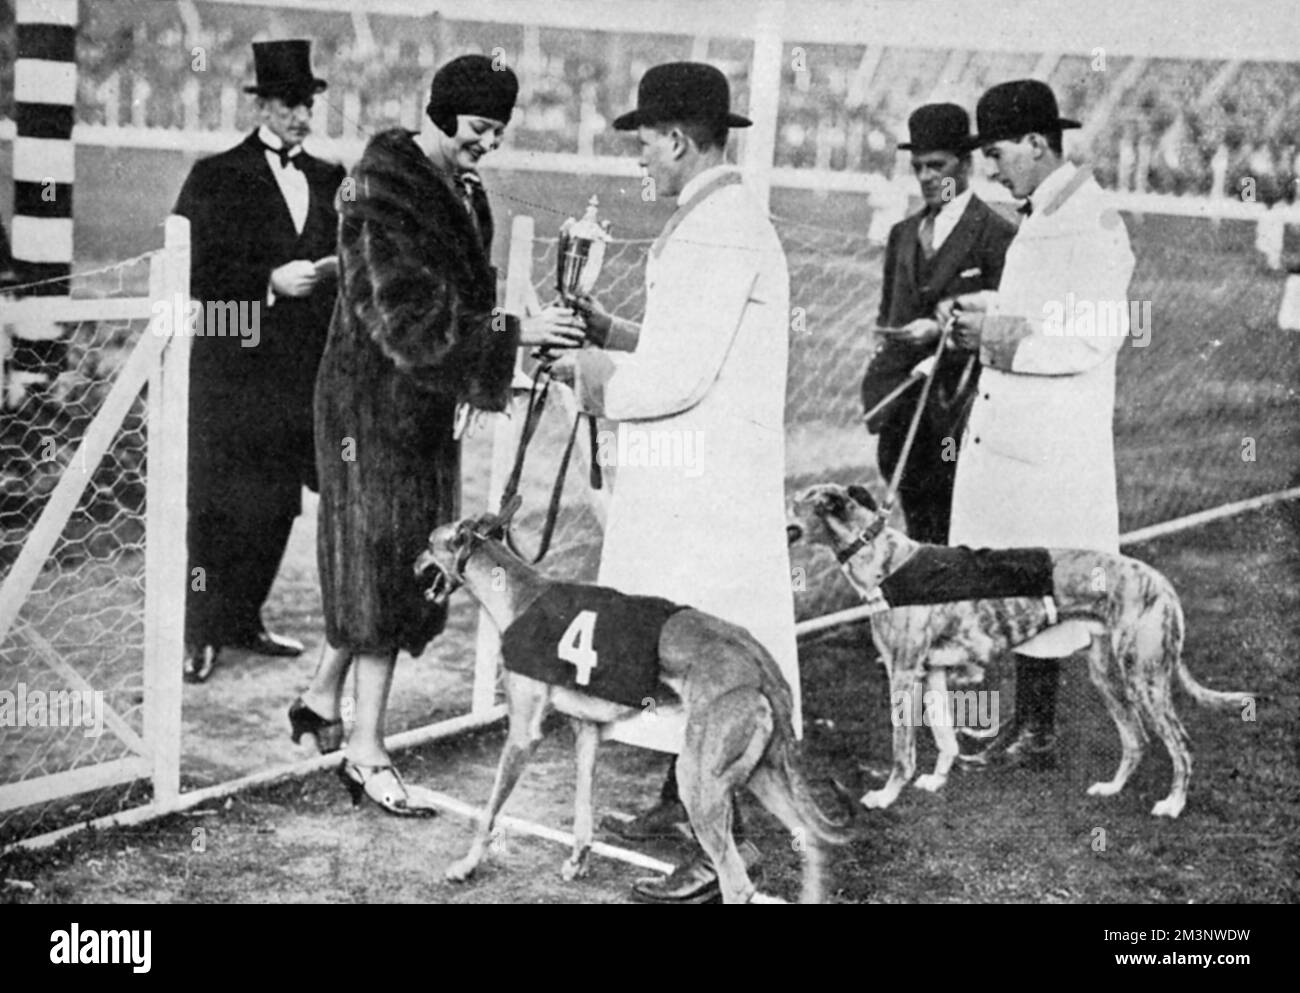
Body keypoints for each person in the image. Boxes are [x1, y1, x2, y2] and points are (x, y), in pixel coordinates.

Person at [292, 55, 585, 815]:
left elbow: (458, 305)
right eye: (480, 129)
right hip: (370, 410)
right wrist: (514, 336)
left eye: (497, 132)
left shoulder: (461, 188)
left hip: (418, 405)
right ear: (442, 112)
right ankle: (365, 750)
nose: (488, 144)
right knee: (387, 567)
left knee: (390, 558)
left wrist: (494, 355)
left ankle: (323, 699)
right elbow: (407, 318)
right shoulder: (380, 188)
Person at [549, 62, 798, 903]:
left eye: (646, 142)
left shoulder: (720, 226)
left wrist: (586, 372)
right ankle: (676, 801)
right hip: (696, 472)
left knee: (715, 663)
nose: (640, 160)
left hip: (709, 484)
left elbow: (682, 375)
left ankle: (724, 848)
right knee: (674, 647)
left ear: (681, 140)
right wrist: (613, 332)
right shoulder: (713, 217)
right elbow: (688, 344)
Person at [943, 80, 1136, 769]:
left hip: (1053, 440)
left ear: (1036, 143)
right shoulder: (1046, 214)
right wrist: (985, 308)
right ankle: (1023, 726)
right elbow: (1041, 304)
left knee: (1044, 581)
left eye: (997, 153)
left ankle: (1039, 731)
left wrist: (995, 335)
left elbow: (1090, 334)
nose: (991, 169)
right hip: (1018, 429)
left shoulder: (1092, 223)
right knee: (1013, 575)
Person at [173, 40, 346, 683]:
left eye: (308, 104)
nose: (301, 115)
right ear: (263, 105)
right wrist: (268, 282)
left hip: (299, 375)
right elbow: (191, 271)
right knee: (216, 502)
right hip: (231, 371)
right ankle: (200, 629)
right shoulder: (215, 175)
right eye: (289, 104)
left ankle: (244, 616)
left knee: (276, 503)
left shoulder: (332, 180)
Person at [862, 103, 1016, 543]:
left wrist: (943, 332)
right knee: (915, 530)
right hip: (904, 419)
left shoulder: (998, 236)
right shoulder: (902, 235)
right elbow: (887, 318)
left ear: (965, 165)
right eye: (918, 167)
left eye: (937, 166)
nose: (927, 177)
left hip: (960, 417)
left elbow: (1006, 328)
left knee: (957, 535)